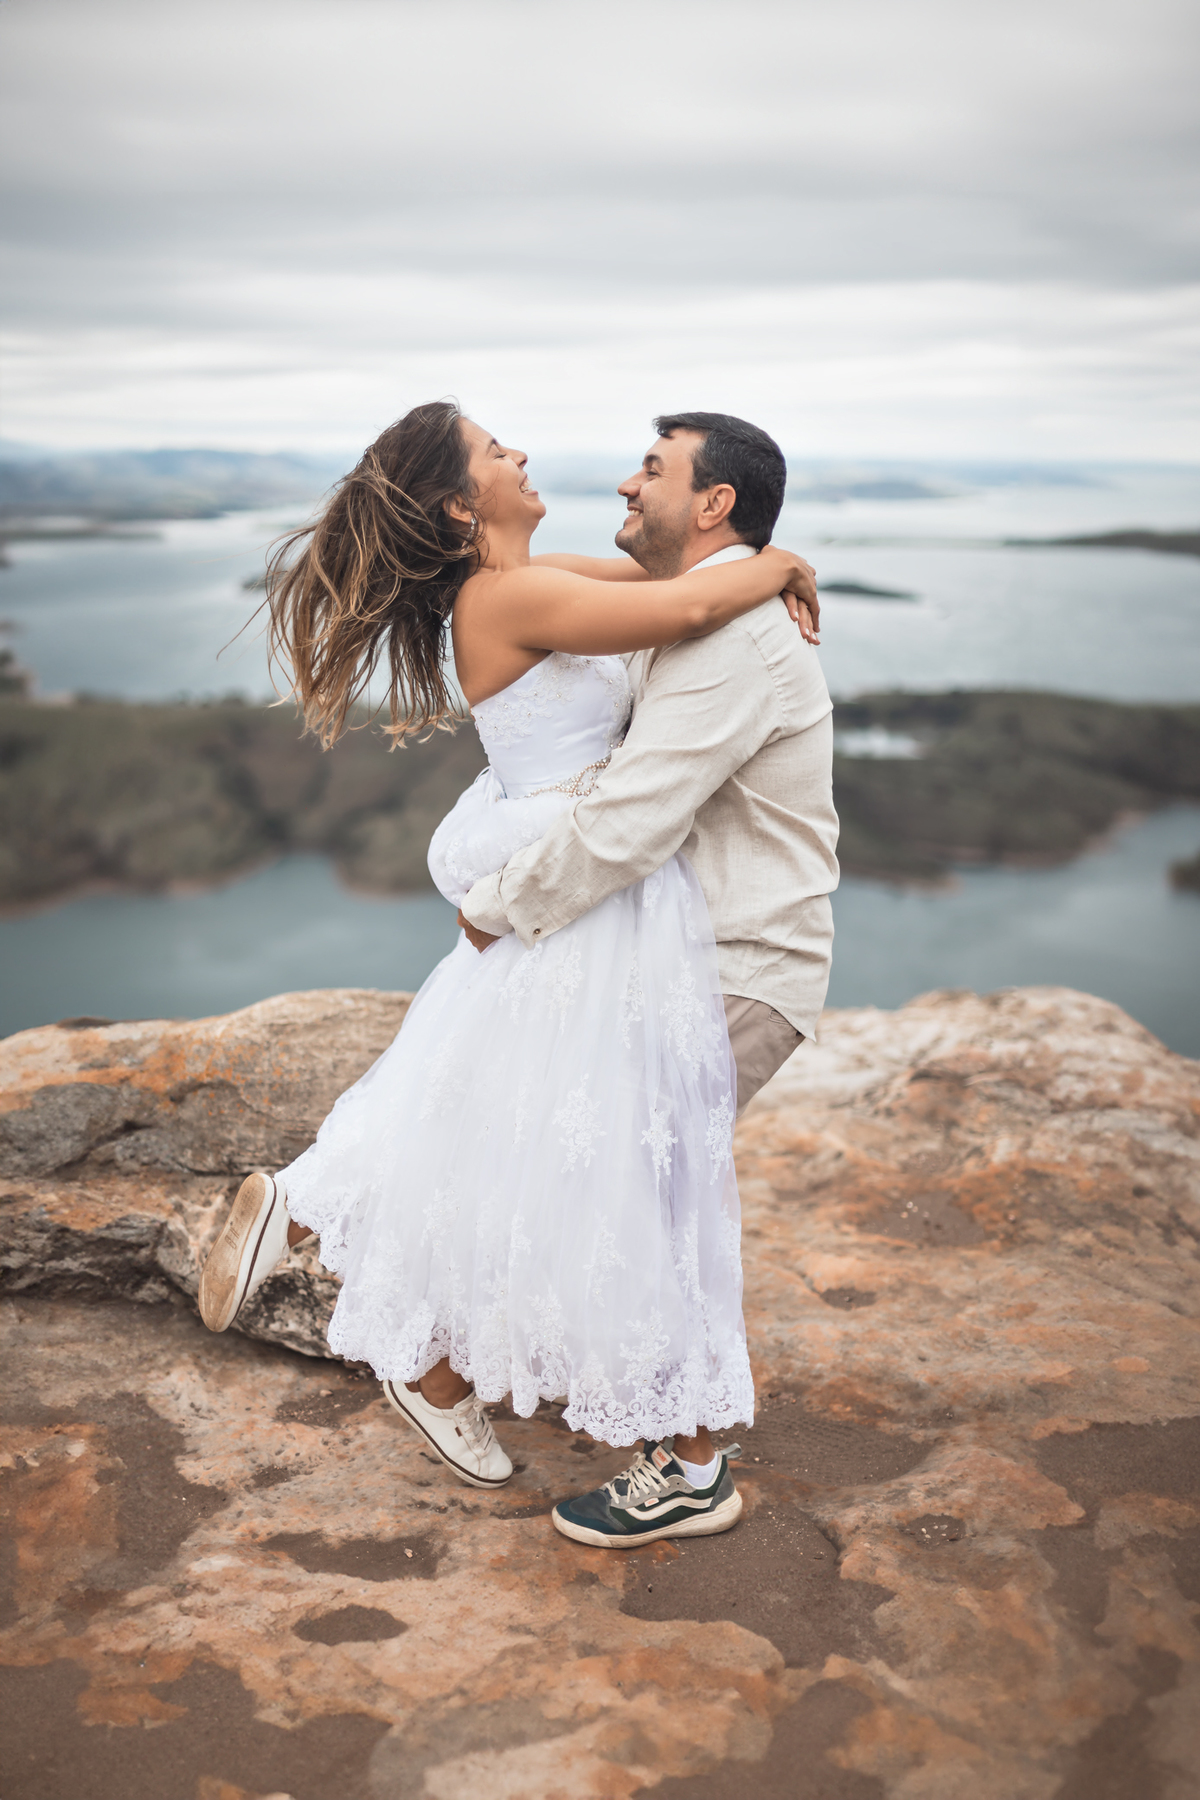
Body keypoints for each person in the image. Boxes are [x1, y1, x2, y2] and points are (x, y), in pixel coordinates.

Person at [197, 399, 820, 1549]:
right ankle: (631, 1434)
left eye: (650, 468)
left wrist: (762, 564)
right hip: (587, 894)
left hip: (626, 909)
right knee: (569, 1152)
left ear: (712, 501)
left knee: (516, 1123)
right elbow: (683, 605)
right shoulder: (512, 596)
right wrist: (778, 563)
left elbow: (671, 597)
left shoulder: (538, 582)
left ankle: (336, 1233)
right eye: (495, 451)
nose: (524, 454)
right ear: (456, 505)